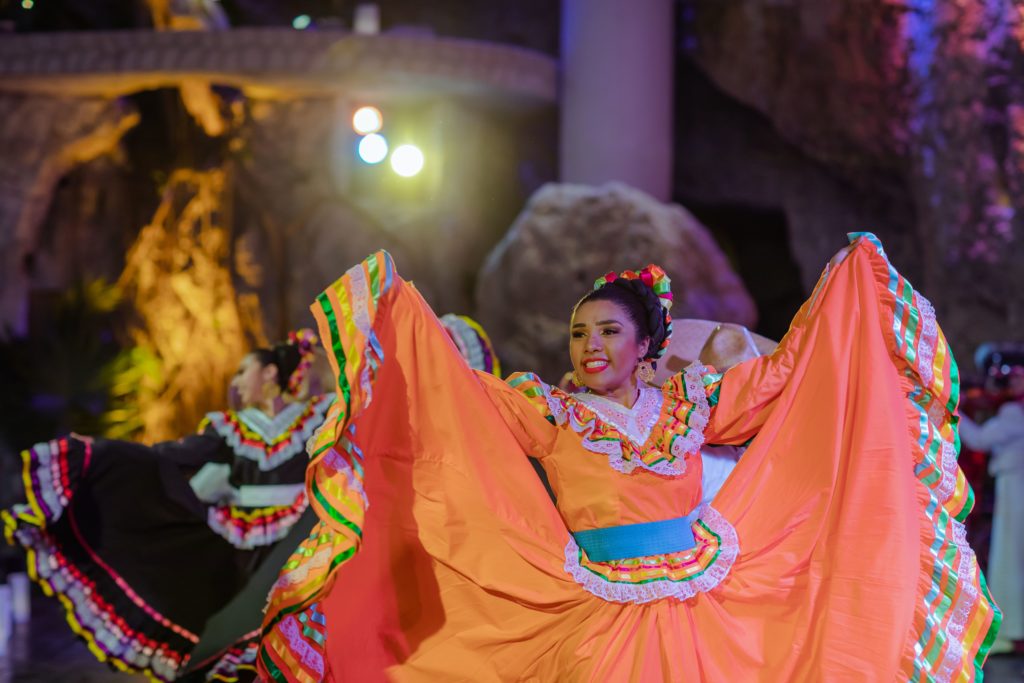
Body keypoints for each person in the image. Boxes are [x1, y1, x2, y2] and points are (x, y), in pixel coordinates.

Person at [258, 235, 998, 682]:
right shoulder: (553, 409)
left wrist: (842, 291)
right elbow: (459, 398)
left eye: (609, 331)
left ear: (645, 345)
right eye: (580, 334)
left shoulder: (689, 404)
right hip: (593, 606)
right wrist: (399, 318)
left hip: (702, 602)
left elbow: (779, 380)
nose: (592, 347)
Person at [1, 331, 334, 682]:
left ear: (269, 374)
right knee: (241, 632)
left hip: (298, 539)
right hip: (243, 545)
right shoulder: (230, 427)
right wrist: (102, 456)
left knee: (295, 624)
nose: (236, 382)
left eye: (243, 371)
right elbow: (169, 457)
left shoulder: (316, 416)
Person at [958, 344, 1024, 655]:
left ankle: (1012, 629)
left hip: (1015, 486)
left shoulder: (1015, 411)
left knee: (1009, 557)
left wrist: (952, 409)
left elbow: (979, 439)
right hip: (1011, 484)